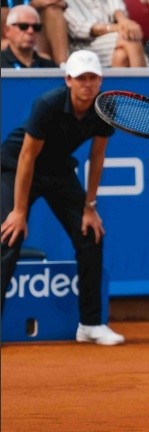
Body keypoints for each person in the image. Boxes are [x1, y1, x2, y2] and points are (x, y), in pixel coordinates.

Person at [0, 50, 125, 346]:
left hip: (57, 170)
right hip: (16, 166)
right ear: (68, 80)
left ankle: (91, 325)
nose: (87, 83)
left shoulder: (105, 107)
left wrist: (89, 207)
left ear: (100, 80)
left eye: (92, 77)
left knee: (90, 234)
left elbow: (97, 156)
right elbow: (27, 158)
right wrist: (18, 210)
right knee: (8, 236)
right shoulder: (48, 104)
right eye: (81, 78)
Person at [63, 0, 148, 67]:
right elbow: (80, 28)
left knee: (121, 56)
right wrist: (118, 27)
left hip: (111, 37)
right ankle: (144, 87)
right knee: (130, 39)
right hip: (84, 45)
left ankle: (123, 88)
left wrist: (124, 21)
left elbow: (116, 6)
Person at [1, 0, 70, 65]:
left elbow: (62, 3)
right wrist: (34, 4)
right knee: (4, 12)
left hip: (40, 40)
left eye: (36, 27)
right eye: (23, 26)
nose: (30, 31)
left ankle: (63, 65)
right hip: (7, 40)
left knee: (53, 10)